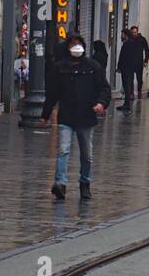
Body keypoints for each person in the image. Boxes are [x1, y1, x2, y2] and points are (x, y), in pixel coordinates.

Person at [42, 33, 111, 201]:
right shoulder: (60, 68)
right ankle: (60, 184)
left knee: (86, 153)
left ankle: (85, 183)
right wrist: (45, 114)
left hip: (86, 116)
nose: (76, 48)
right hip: (66, 116)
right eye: (73, 44)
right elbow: (52, 93)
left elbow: (104, 88)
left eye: (79, 44)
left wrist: (101, 103)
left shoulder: (93, 67)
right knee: (63, 149)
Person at [117, 25, 149, 109]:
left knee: (129, 82)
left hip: (130, 66)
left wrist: (146, 60)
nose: (121, 36)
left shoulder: (130, 43)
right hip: (130, 66)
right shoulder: (130, 42)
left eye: (122, 34)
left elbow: (123, 56)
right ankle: (129, 97)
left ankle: (132, 97)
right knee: (129, 82)